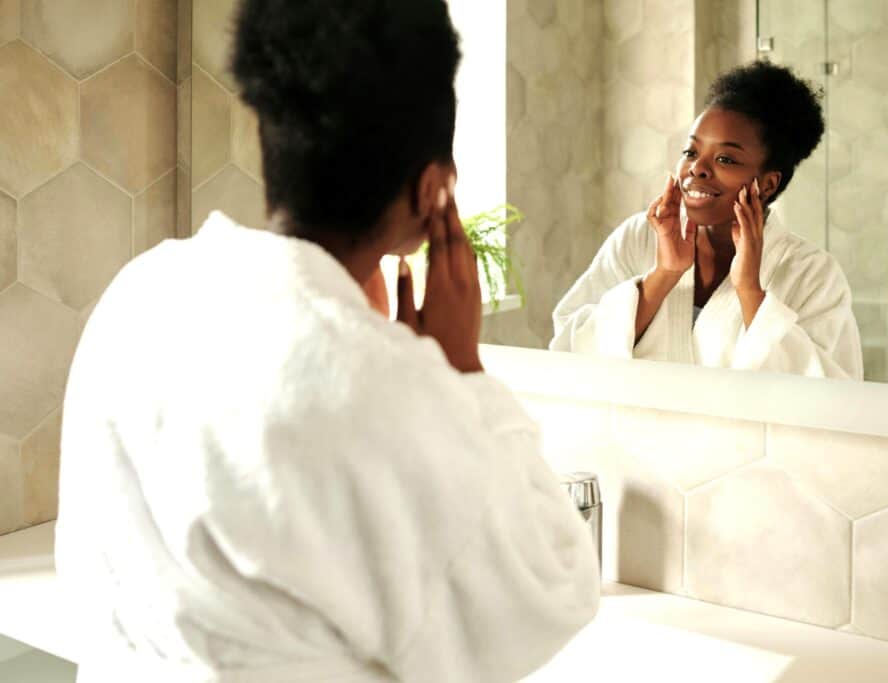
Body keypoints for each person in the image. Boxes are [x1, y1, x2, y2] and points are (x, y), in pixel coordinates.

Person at [55, 1, 600, 681]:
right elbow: (553, 588)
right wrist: (461, 370)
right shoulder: (373, 386)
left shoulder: (140, 292)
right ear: (434, 188)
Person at [550, 61, 863, 380]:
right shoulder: (639, 237)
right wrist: (663, 275)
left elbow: (832, 395)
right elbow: (569, 348)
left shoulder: (813, 274)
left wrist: (750, 291)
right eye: (690, 152)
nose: (697, 168)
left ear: (767, 184)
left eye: (726, 159)